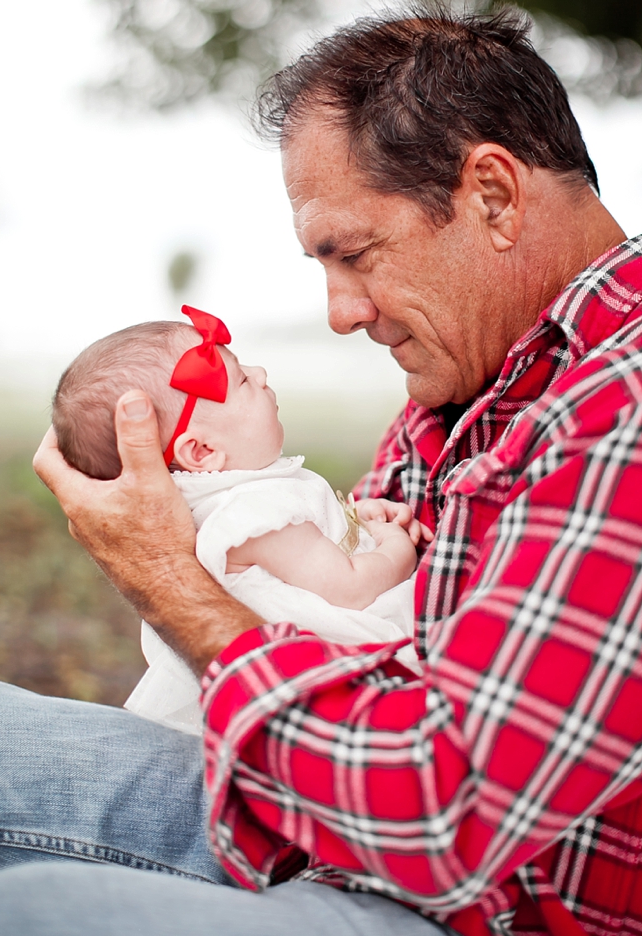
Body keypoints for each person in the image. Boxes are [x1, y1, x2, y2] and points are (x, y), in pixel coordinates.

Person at [0, 8, 642, 936]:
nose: (341, 312)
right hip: (337, 820)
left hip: (485, 913)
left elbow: (447, 810)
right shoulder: (478, 375)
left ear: (495, 198)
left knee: (6, 923)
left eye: (352, 254)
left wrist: (174, 584)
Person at [52, 306, 423, 732]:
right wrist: (395, 543)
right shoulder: (255, 515)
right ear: (203, 452)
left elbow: (316, 551)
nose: (261, 372)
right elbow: (352, 587)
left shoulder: (238, 503)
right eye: (242, 379)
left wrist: (358, 521)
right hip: (343, 682)